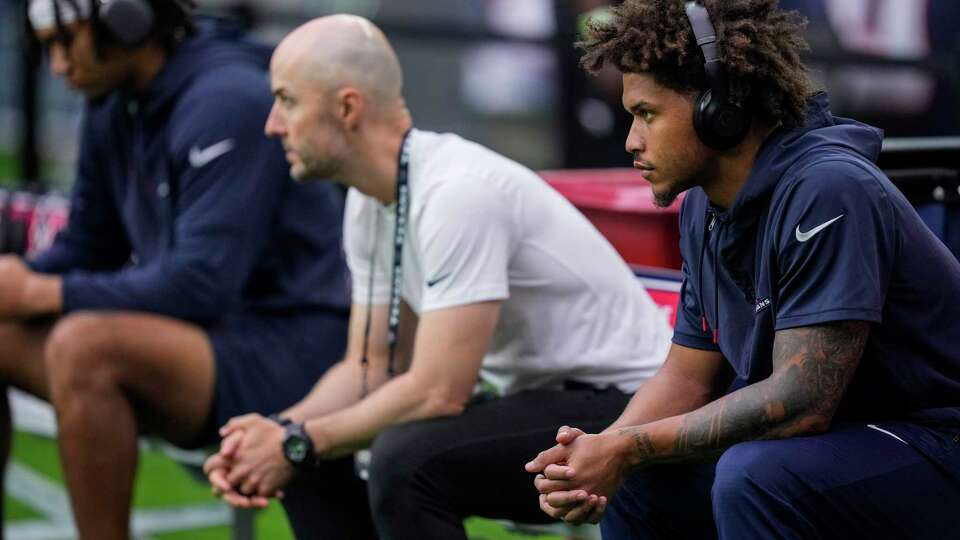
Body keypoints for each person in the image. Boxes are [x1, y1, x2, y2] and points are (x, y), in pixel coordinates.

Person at [201, 14, 672, 540]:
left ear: (347, 107)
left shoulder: (456, 192)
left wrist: (299, 439)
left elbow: (438, 392)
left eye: (287, 100)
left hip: (630, 407)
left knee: (406, 460)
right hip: (547, 400)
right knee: (315, 457)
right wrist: (280, 433)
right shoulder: (370, 199)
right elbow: (371, 368)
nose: (272, 124)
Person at [525, 0, 960, 537]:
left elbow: (801, 403)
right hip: (843, 446)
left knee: (754, 475)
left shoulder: (828, 190)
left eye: (648, 114)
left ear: (720, 109)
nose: (631, 140)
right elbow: (685, 378)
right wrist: (597, 455)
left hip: (935, 443)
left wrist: (626, 447)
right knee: (643, 472)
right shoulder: (703, 207)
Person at [10, 1, 359, 538]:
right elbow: (88, 245)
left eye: (66, 42)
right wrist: (18, 283)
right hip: (203, 342)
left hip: (293, 349)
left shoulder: (227, 101)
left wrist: (40, 292)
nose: (57, 65)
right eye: (48, 47)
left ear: (128, 23)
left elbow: (201, 285)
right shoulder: (114, 102)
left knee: (85, 346)